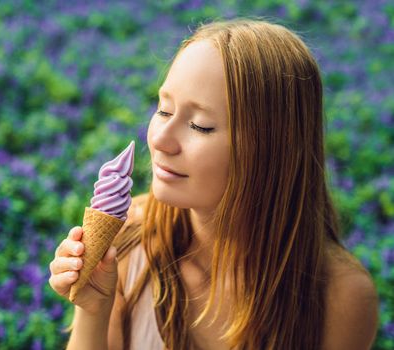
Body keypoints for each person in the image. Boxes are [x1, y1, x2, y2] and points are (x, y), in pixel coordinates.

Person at [48, 19, 379, 349]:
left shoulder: (341, 296)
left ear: (273, 147)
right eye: (164, 110)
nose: (161, 140)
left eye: (200, 125)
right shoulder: (129, 238)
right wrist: (93, 310)